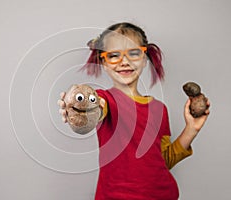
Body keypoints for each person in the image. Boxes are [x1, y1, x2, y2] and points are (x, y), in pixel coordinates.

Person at [57, 22, 210, 200]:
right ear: (103, 62)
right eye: (114, 55)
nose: (125, 61)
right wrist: (79, 110)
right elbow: (95, 108)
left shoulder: (159, 109)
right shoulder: (104, 100)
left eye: (134, 53)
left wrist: (192, 129)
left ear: (145, 59)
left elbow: (164, 160)